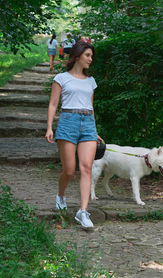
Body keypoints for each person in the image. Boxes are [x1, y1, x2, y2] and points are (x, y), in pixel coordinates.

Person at [45, 41, 104, 228]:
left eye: (91, 56)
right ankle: (61, 196)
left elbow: (91, 107)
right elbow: (53, 104)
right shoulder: (61, 78)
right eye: (88, 55)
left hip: (87, 124)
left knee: (87, 167)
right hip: (68, 122)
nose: (90, 59)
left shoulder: (90, 81)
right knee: (69, 170)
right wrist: (49, 127)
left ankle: (83, 212)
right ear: (78, 56)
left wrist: (95, 131)